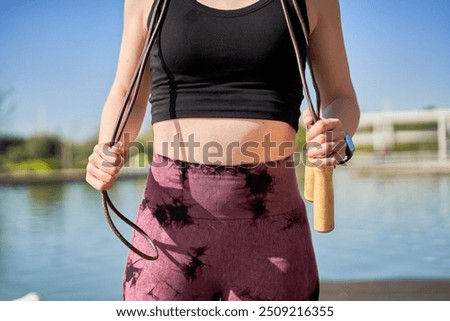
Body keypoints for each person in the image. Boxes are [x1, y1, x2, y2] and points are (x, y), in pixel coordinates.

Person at [86, 0, 360, 301]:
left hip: (273, 229)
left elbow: (340, 96)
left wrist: (339, 134)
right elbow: (128, 92)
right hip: (168, 232)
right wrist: (108, 147)